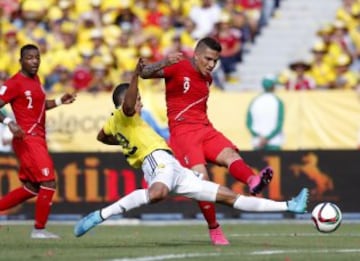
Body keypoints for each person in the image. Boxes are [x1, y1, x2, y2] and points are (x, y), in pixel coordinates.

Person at [73, 58, 309, 239]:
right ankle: (100, 216)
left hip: (174, 167)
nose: (140, 103)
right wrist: (135, 75)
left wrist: (122, 143)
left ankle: (290, 206)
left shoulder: (115, 124)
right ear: (126, 101)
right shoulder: (123, 115)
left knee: (228, 196)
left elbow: (101, 137)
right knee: (157, 194)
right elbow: (126, 104)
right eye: (137, 100)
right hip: (157, 161)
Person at [140, 36, 273, 245]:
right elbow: (144, 73)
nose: (211, 65)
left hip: (205, 128)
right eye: (208, 59)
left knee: (230, 154)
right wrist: (164, 62)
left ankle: (253, 181)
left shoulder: (207, 79)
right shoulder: (179, 66)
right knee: (201, 179)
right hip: (183, 133)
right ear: (197, 55)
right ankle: (214, 228)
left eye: (215, 61)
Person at [0, 44, 76, 239]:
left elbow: (40, 107)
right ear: (21, 61)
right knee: (48, 181)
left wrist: (60, 101)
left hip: (38, 138)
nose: (35, 61)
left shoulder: (36, 80)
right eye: (30, 58)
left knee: (32, 187)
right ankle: (39, 230)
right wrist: (9, 122)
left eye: (37, 57)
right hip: (27, 139)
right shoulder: (14, 83)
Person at [246, 74, 285, 150]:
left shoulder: (254, 101)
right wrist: (267, 138)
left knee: (256, 162)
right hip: (274, 142)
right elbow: (279, 123)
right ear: (273, 86)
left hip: (258, 142)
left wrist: (259, 137)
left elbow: (248, 123)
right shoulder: (278, 101)